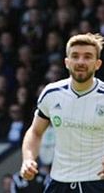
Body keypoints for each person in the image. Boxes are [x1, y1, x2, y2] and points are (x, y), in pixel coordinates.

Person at [19, 33, 104, 192]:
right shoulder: (51, 93)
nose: (80, 62)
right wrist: (28, 160)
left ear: (97, 64)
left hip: (97, 183)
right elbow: (35, 132)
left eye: (87, 57)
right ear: (67, 62)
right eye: (75, 56)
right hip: (59, 183)